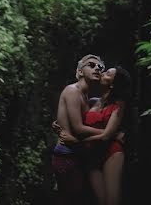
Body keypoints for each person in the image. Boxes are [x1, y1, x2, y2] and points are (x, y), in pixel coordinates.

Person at [59, 66, 132, 205]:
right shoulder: (92, 101)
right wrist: (59, 125)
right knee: (101, 200)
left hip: (111, 151)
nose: (102, 73)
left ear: (112, 84)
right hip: (92, 154)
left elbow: (105, 137)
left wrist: (76, 142)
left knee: (112, 201)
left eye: (107, 74)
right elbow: (77, 123)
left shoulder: (119, 104)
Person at [51, 54, 106, 204]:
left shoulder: (88, 98)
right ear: (80, 71)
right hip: (66, 156)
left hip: (78, 154)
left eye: (99, 67)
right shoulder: (72, 91)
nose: (97, 68)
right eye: (91, 65)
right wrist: (108, 134)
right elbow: (79, 128)